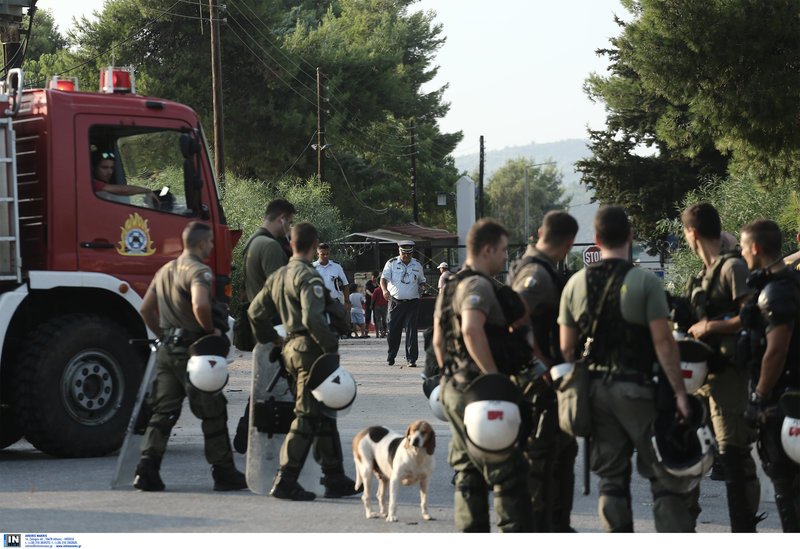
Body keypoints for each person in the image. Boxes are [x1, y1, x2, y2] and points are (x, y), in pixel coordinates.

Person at [559, 205, 694, 532]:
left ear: (596, 239)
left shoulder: (576, 284)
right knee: (663, 478)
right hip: (641, 390)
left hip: (597, 392)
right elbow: (664, 343)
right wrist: (679, 392)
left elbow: (566, 348)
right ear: (630, 237)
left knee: (611, 480)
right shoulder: (645, 282)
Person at [432, 218, 532, 532]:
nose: (505, 257)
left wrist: (450, 374)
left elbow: (438, 340)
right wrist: (494, 379)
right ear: (487, 250)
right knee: (507, 472)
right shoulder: (477, 285)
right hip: (480, 391)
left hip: (454, 387)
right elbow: (472, 329)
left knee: (468, 473)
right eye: (502, 251)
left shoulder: (449, 285)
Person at [248, 221, 360, 501]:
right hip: (311, 350)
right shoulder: (308, 276)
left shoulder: (279, 276)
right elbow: (312, 318)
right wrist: (330, 348)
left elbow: (254, 313)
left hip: (291, 348)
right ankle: (285, 479)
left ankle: (334, 476)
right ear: (313, 246)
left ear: (291, 245)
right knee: (307, 414)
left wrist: (272, 340)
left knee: (322, 413)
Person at [133, 221, 246, 492]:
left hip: (167, 350)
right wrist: (210, 330)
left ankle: (147, 469)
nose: (211, 246)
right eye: (209, 242)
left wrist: (164, 334)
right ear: (199, 244)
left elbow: (146, 310)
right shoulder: (198, 271)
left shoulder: (164, 271)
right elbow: (200, 304)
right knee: (213, 411)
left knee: (163, 411)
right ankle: (224, 472)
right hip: (194, 351)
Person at [681, 202, 761, 532]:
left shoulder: (732, 269)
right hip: (701, 377)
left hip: (730, 375)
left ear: (693, 233)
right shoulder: (700, 276)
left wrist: (710, 328)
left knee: (733, 454)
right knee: (693, 455)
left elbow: (751, 315)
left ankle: (744, 529)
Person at [509, 210, 579, 532]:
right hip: (538, 382)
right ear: (568, 243)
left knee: (561, 452)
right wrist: (543, 365)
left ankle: (556, 525)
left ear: (540, 232)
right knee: (541, 456)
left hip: (545, 377)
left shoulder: (541, 266)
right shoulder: (536, 273)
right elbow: (515, 318)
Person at [739, 219, 800, 532]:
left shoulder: (775, 292)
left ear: (756, 248)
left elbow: (776, 350)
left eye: (743, 246)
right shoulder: (790, 282)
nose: (741, 252)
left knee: (786, 487)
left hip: (782, 401)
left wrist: (758, 397)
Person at [232, 199, 295, 454]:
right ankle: (256, 438)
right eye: (288, 221)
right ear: (281, 218)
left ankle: (245, 436)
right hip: (274, 327)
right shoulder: (269, 246)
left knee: (266, 383)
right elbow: (280, 291)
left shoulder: (255, 242)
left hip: (264, 325)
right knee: (278, 383)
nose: (289, 227)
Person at [381, 241, 426, 367]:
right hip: (395, 302)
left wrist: (422, 287)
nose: (406, 256)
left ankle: (412, 359)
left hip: (412, 302)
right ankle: (391, 355)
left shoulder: (417, 264)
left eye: (409, 254)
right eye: (404, 253)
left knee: (412, 331)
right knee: (392, 331)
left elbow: (422, 280)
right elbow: (383, 279)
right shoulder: (391, 263)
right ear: (399, 251)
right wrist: (385, 290)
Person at [92, 150, 160, 206]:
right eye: (104, 168)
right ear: (93, 168)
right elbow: (123, 190)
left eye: (112, 168)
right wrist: (146, 191)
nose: (110, 172)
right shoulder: (93, 184)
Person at [371, 272, 389, 338]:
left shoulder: (376, 290)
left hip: (377, 306)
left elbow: (373, 298)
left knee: (378, 320)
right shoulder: (386, 290)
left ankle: (381, 331)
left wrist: (371, 305)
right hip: (384, 306)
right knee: (384, 319)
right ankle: (386, 331)